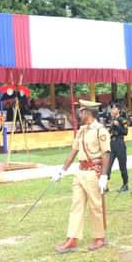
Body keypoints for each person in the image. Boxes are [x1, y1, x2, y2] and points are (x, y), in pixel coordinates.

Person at [51, 99, 110, 253]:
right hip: (80, 171)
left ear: (87, 113)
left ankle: (99, 237)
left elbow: (106, 154)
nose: (79, 114)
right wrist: (62, 170)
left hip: (93, 172)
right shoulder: (82, 130)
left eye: (81, 111)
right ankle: (72, 238)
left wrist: (104, 175)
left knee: (95, 206)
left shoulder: (100, 130)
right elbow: (73, 152)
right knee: (76, 205)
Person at [106, 103, 129, 192]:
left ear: (118, 110)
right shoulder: (113, 120)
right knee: (108, 164)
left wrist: (118, 125)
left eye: (114, 108)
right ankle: (105, 185)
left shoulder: (122, 120)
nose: (112, 110)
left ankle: (125, 184)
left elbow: (125, 132)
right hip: (112, 144)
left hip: (119, 143)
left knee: (122, 165)